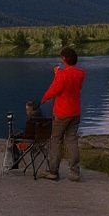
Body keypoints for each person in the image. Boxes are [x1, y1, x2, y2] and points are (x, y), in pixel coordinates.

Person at [38, 46, 84, 181]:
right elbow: (72, 82)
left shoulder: (62, 74)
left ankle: (53, 171)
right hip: (75, 112)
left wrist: (43, 99)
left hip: (62, 113)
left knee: (56, 140)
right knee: (72, 140)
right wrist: (59, 73)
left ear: (64, 58)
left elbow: (54, 90)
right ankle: (75, 172)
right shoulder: (81, 74)